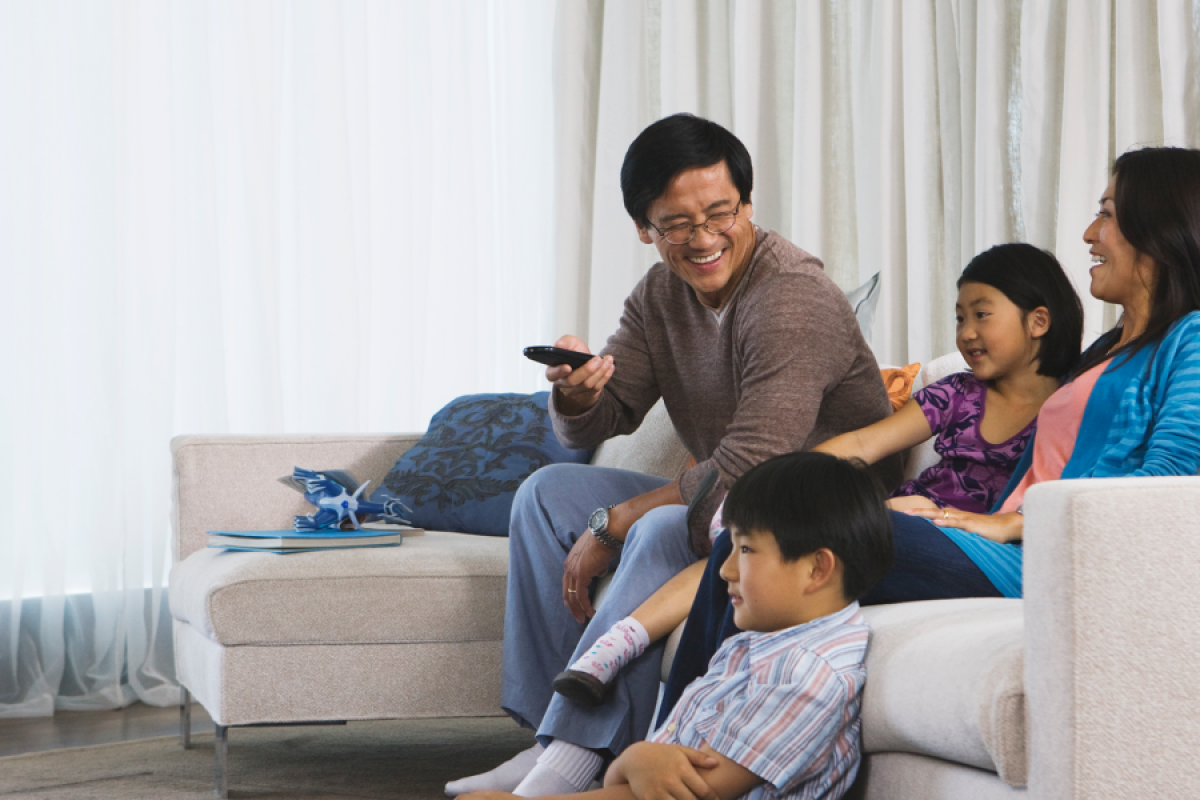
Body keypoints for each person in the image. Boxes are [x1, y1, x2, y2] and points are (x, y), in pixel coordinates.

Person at [659, 145, 1200, 725]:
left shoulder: (1189, 337)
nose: (1090, 233)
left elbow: (1166, 488)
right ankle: (677, 745)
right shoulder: (1105, 352)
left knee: (773, 538)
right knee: (746, 541)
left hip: (1038, 561)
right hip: (1006, 547)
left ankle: (684, 750)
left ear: (1159, 225)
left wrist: (1011, 522)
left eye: (1108, 213)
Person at [446, 114, 901, 796]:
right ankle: (547, 734)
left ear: (748, 204)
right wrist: (576, 392)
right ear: (644, 229)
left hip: (808, 510)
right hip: (732, 504)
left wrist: (618, 519)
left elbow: (753, 462)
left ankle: (572, 759)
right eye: (678, 224)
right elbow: (602, 418)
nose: (705, 239)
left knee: (658, 524)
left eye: (721, 213)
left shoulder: (793, 297)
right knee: (546, 493)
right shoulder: (660, 296)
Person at [552, 242, 1083, 706]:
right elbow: (863, 444)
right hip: (896, 514)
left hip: (957, 538)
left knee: (772, 548)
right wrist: (783, 485)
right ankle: (622, 647)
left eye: (982, 315)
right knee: (747, 540)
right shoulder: (958, 393)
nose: (967, 333)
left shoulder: (1072, 408)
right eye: (960, 318)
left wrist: (932, 516)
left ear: (1038, 322)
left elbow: (1048, 503)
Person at [462, 451, 894, 800]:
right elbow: (647, 778)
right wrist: (633, 763)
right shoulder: (760, 646)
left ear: (817, 569)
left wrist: (632, 761)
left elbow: (692, 791)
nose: (724, 570)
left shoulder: (804, 676)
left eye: (745, 550)